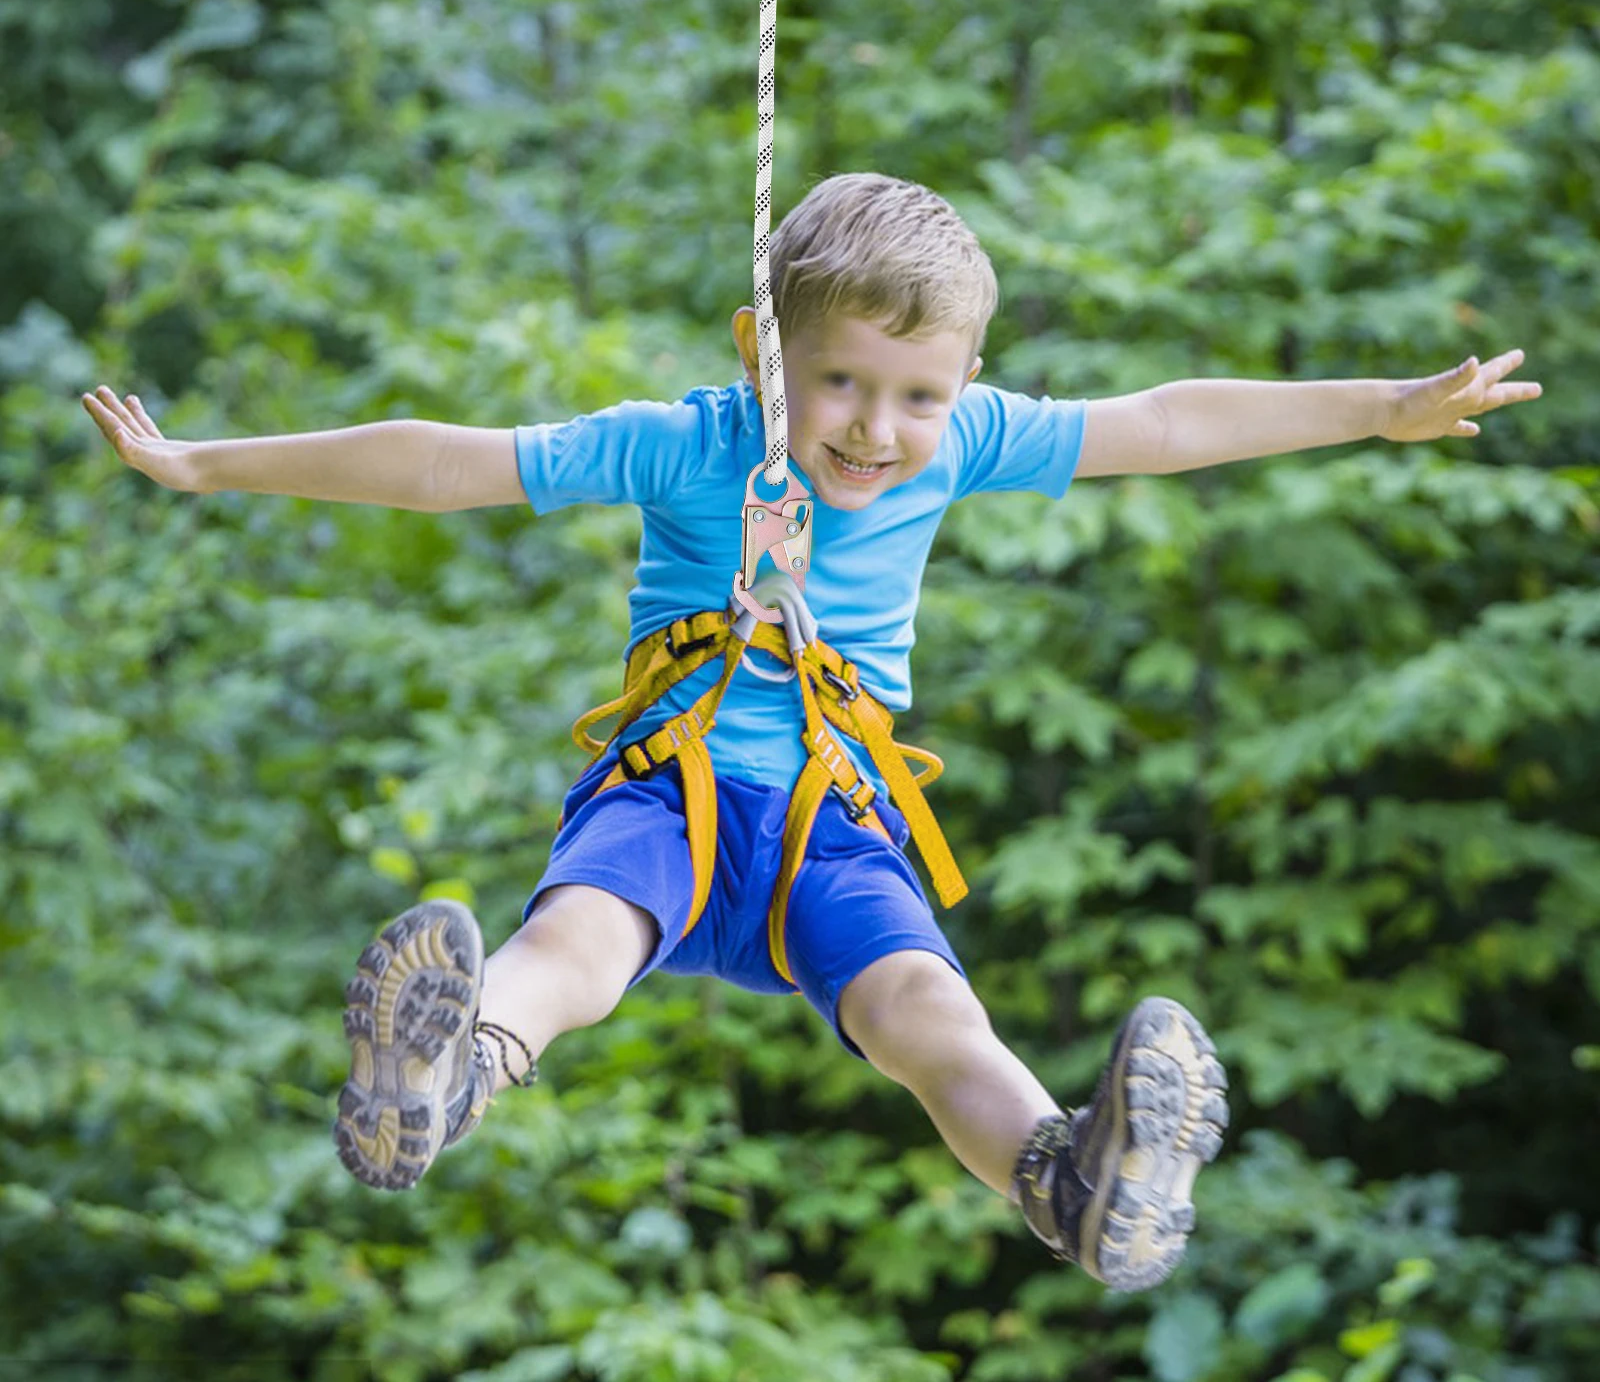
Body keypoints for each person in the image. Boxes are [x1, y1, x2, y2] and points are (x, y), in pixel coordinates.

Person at [82, 172, 1541, 1293]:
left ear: (962, 388)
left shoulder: (961, 446)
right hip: (676, 787)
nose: (875, 429)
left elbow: (1161, 422)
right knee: (580, 941)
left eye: (921, 395)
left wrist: (1380, 409)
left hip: (839, 820)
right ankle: (447, 1073)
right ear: (761, 347)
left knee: (927, 1014)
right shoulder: (689, 439)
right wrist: (207, 462)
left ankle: (1069, 1178)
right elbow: (447, 464)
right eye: (839, 380)